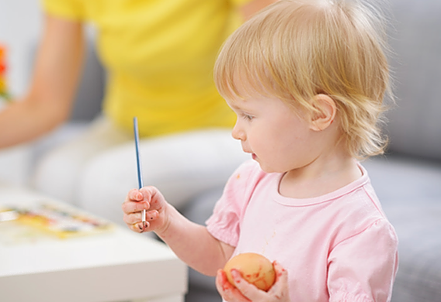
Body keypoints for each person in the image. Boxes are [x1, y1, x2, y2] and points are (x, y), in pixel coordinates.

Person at [122, 0, 399, 301]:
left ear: (318, 114)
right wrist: (167, 221)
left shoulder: (360, 230)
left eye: (249, 116)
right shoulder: (252, 180)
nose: (236, 131)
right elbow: (219, 254)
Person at [0, 0, 277, 225]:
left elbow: (275, 63)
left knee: (110, 185)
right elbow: (44, 105)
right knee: (52, 177)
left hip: (227, 129)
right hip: (125, 126)